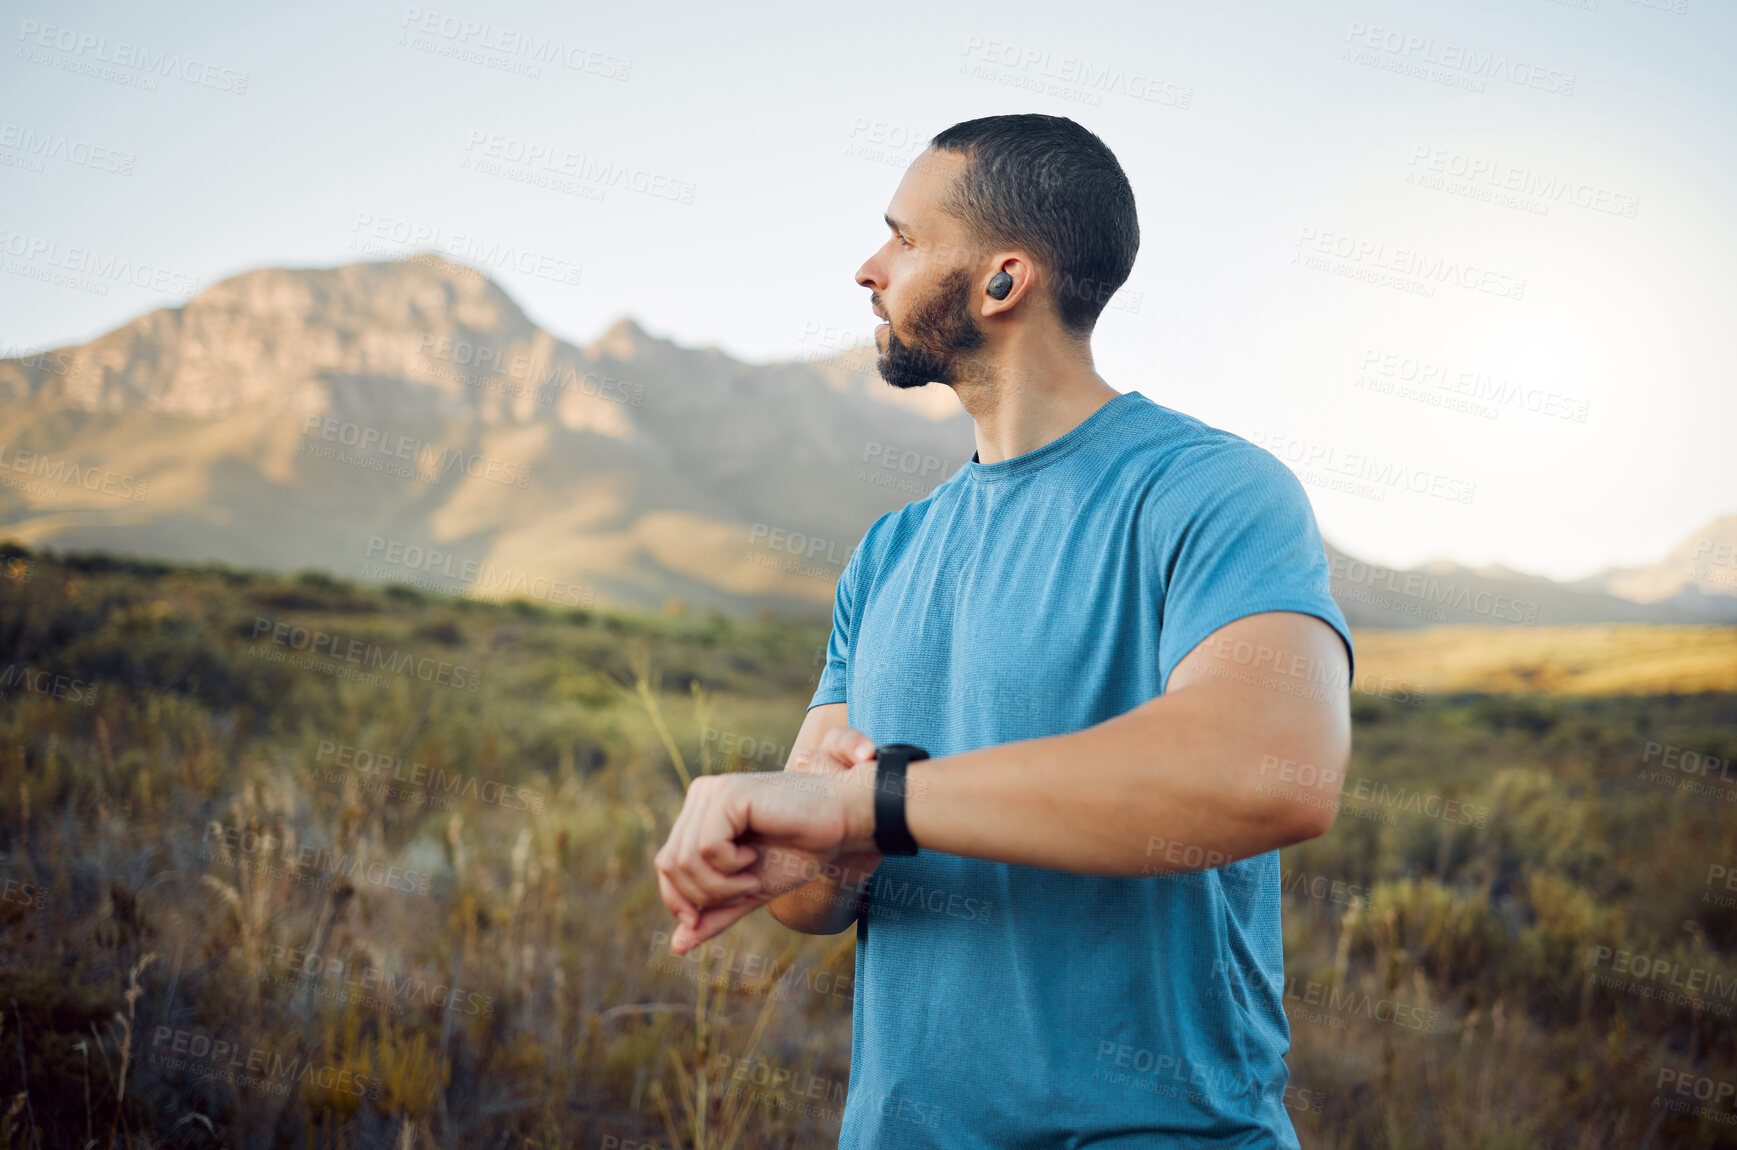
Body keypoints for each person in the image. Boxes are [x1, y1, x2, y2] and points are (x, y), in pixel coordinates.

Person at [654, 112, 1354, 1148]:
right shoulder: (888, 553)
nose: (868, 268)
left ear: (1001, 281)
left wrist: (874, 805)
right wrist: (808, 857)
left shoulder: (1210, 492)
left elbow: (1275, 771)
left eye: (903, 236)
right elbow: (817, 893)